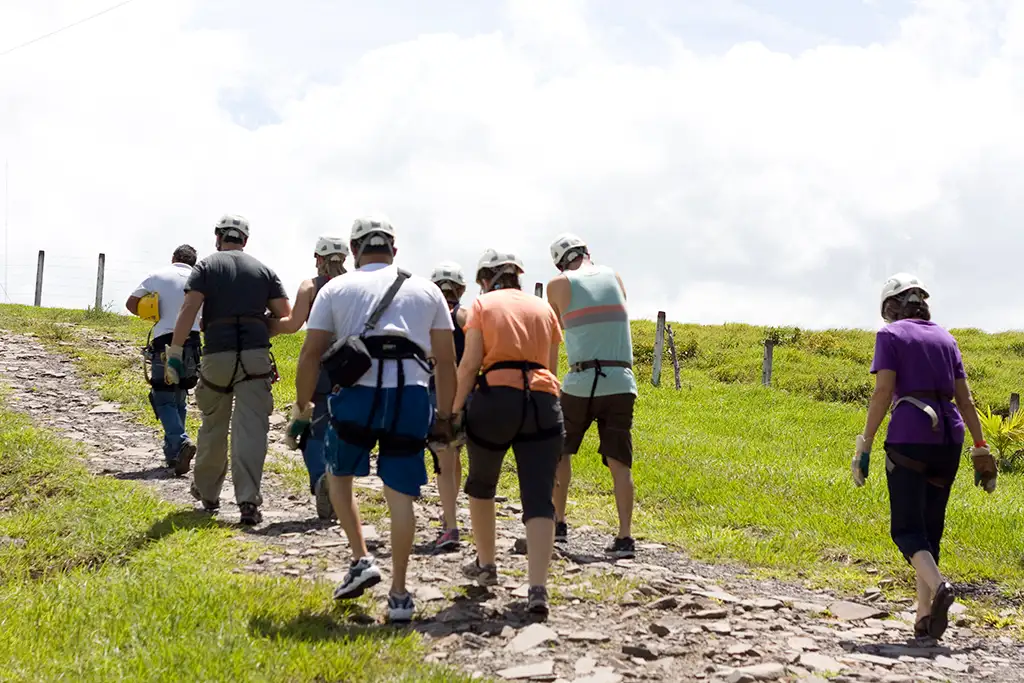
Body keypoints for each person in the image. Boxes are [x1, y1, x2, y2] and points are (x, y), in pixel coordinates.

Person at [286, 215, 458, 623]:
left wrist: (302, 405)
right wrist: (447, 416)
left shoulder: (337, 288)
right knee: (400, 496)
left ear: (353, 251)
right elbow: (447, 361)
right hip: (411, 398)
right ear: (394, 250)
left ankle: (362, 557)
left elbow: (310, 354)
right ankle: (399, 594)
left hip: (357, 397)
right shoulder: (427, 289)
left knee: (338, 477)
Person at [854, 273, 996, 641]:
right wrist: (981, 448)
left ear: (890, 308)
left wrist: (865, 443)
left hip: (910, 436)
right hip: (949, 438)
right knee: (930, 531)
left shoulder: (890, 335)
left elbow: (883, 392)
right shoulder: (947, 338)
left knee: (906, 529)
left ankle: (941, 588)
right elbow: (965, 399)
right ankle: (924, 617)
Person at [455, 249, 564, 618]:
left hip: (495, 399)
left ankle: (487, 564)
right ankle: (537, 589)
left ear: (485, 279)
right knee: (538, 498)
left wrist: (452, 411)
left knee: (482, 484)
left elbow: (470, 364)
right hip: (542, 401)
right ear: (517, 276)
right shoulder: (543, 308)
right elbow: (550, 368)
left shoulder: (482, 305)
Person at [165, 214, 291, 526]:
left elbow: (189, 310)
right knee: (251, 431)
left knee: (213, 426)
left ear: (218, 237)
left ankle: (208, 493)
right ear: (245, 241)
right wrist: (258, 329)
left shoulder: (206, 267)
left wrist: (176, 354)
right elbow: (285, 315)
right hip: (255, 360)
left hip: (218, 356)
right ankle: (248, 502)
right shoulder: (264, 270)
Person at [545, 233, 637, 558]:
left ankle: (557, 523)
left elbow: (552, 334)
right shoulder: (616, 276)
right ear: (587, 252)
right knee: (620, 461)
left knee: (560, 451)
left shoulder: (558, 284)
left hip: (581, 380)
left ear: (559, 262)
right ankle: (625, 536)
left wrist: (548, 379)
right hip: (622, 379)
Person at [270, 235, 350, 520]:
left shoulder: (310, 287)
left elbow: (291, 325)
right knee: (345, 430)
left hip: (319, 367)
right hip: (354, 368)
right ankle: (341, 487)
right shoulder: (356, 286)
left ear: (318, 258)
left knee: (312, 429)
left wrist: (263, 326)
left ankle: (320, 478)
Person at [125, 244, 202, 474]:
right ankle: (173, 455)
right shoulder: (201, 279)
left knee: (163, 396)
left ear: (173, 258)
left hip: (165, 341)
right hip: (193, 341)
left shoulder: (157, 275)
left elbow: (131, 304)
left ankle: (180, 441)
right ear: (193, 263)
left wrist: (152, 313)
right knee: (180, 394)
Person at [427, 260, 469, 551]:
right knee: (455, 457)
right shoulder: (467, 316)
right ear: (461, 289)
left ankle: (450, 522)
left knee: (444, 457)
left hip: (436, 392)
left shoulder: (429, 318)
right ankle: (450, 510)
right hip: (467, 394)